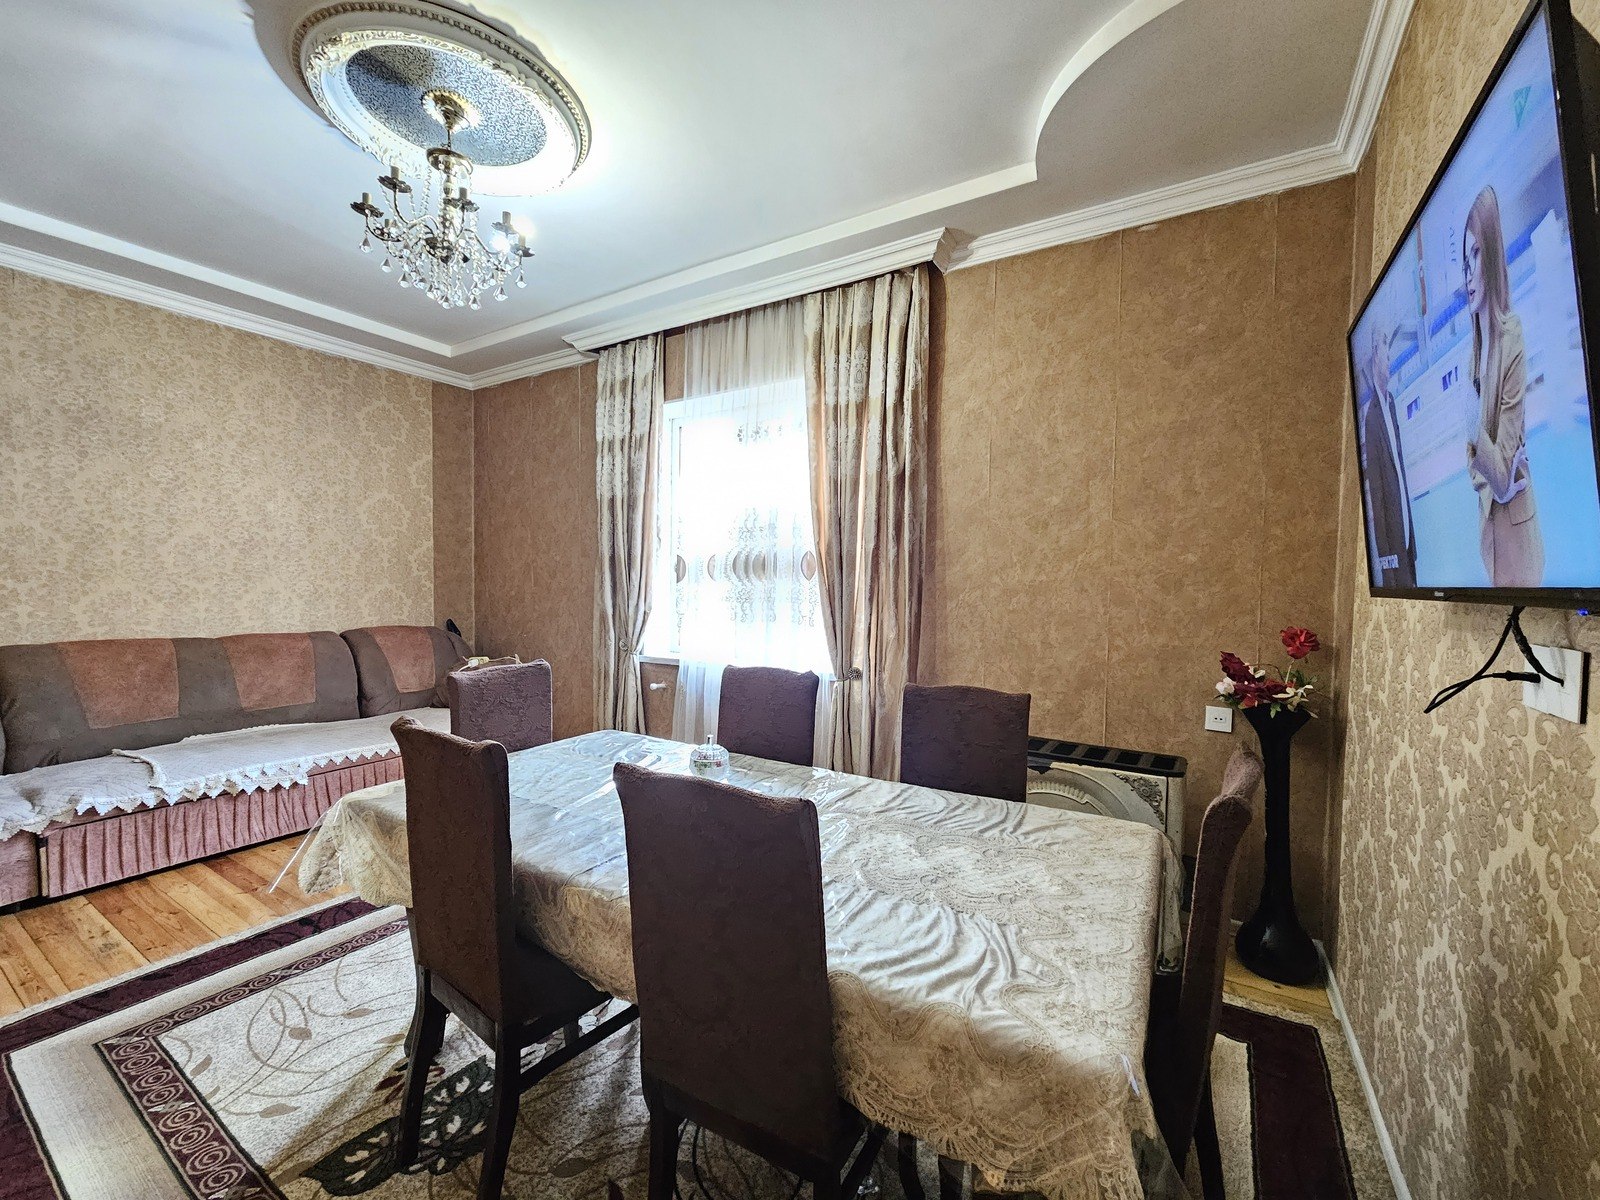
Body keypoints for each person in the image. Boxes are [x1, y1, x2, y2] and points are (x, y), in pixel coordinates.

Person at [1463, 185, 1543, 587]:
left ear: (1492, 255)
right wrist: (1494, 473)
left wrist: (1476, 437)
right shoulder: (1474, 354)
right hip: (1490, 535)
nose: (1468, 274)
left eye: (1476, 254)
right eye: (1464, 261)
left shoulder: (1512, 335)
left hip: (1518, 540)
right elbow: (1478, 471)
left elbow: (1500, 473)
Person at [1361, 327, 1417, 588]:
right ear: (1376, 356)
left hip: (1407, 545)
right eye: (1386, 355)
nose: (1390, 361)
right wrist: (1388, 570)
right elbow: (1377, 496)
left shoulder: (1391, 402)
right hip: (1394, 554)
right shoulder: (1371, 418)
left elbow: (1400, 474)